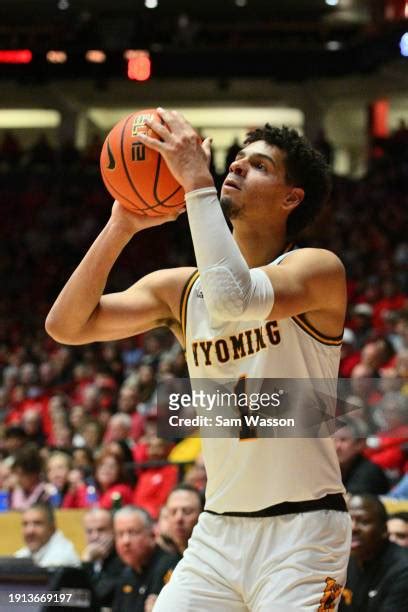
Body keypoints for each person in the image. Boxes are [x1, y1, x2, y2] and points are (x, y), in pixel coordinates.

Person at [46, 109, 351, 610]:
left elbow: (235, 296)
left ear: (291, 198)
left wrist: (195, 183)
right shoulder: (181, 290)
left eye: (258, 166)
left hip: (304, 532)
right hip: (218, 534)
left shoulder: (316, 270)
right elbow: (66, 326)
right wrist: (121, 225)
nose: (234, 168)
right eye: (235, 160)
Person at [339, 495, 408, 611]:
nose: (353, 528)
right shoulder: (342, 560)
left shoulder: (403, 570)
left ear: (384, 530)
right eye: (348, 520)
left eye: (364, 522)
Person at [112, 506, 178, 612]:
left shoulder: (169, 566)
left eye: (133, 532)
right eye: (120, 534)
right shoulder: (126, 574)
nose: (125, 541)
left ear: (152, 535)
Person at [14, 502, 80, 568]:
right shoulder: (23, 554)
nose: (30, 531)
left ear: (52, 528)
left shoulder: (62, 557)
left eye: (37, 523)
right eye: (25, 524)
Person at [81, 508, 125, 608]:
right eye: (89, 531)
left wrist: (86, 562)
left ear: (114, 531)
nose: (95, 536)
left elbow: (97, 596)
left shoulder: (122, 559)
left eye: (101, 530)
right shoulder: (91, 557)